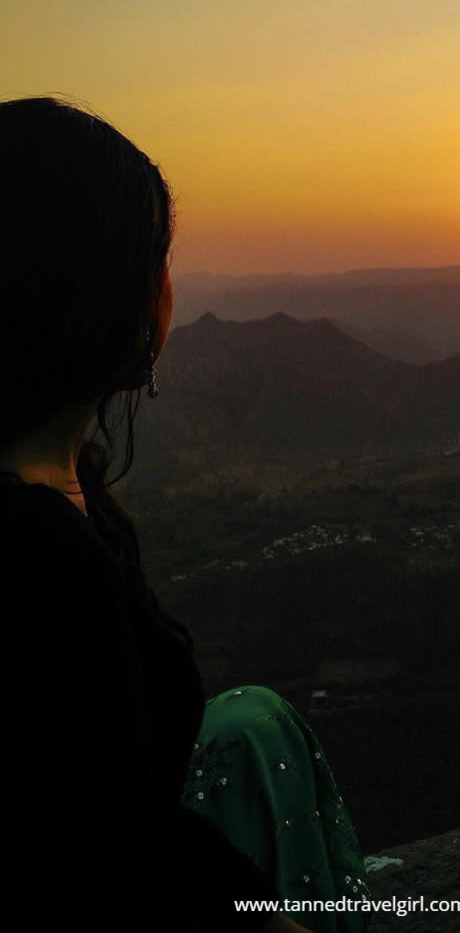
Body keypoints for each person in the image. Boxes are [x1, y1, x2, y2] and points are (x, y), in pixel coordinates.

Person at [0, 95, 369, 931]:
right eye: (157, 259)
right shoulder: (40, 566)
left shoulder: (70, 491)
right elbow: (106, 871)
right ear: (97, 290)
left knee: (251, 722)